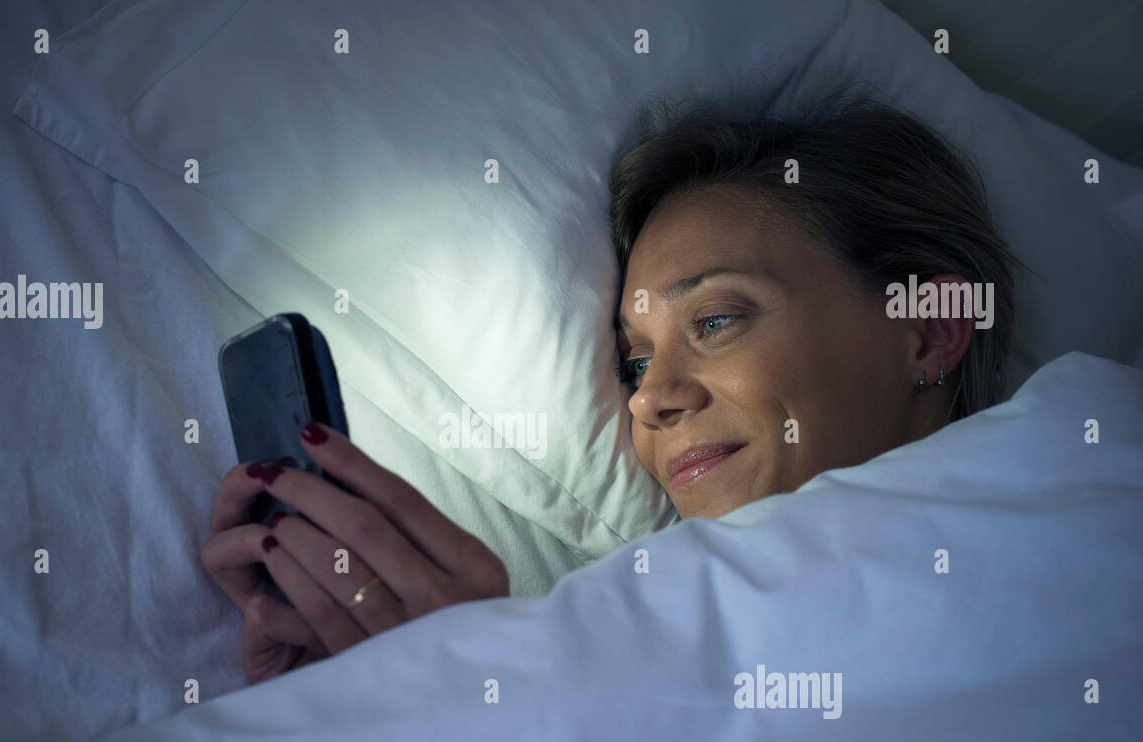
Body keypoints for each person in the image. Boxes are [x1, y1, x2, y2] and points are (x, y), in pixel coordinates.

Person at [201, 91, 1021, 682]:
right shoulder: (633, 636)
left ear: (928, 328)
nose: (648, 399)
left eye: (714, 321)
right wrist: (327, 733)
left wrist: (473, 696)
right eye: (635, 360)